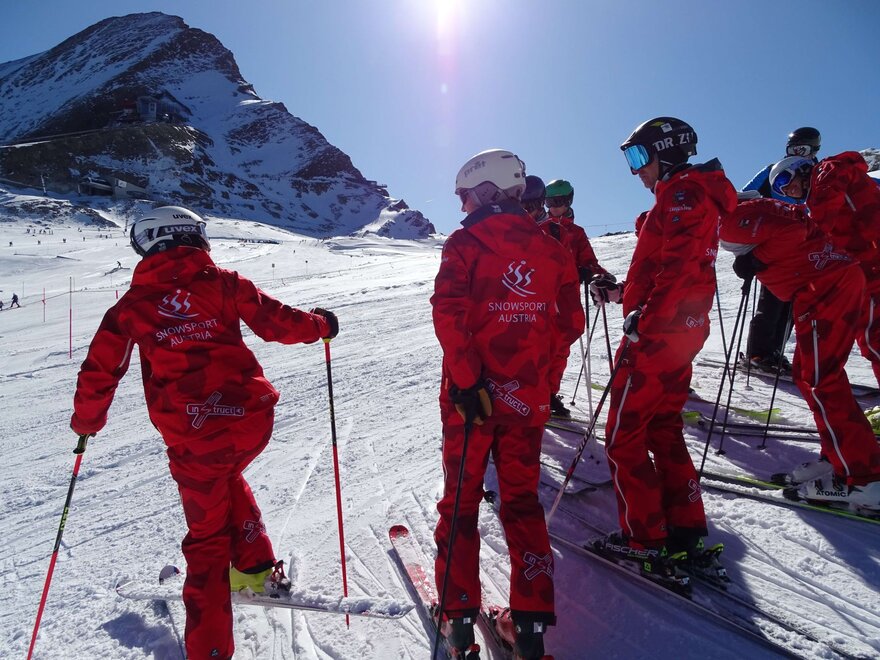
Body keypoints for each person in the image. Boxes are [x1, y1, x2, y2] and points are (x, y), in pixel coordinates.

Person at [70, 206, 338, 660]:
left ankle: (209, 649)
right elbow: (278, 323)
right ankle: (254, 566)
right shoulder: (224, 282)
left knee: (207, 541)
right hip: (251, 420)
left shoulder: (132, 307)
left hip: (194, 433)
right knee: (227, 474)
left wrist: (86, 424)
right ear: (193, 237)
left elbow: (100, 371)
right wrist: (321, 325)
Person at [431, 149, 584, 659]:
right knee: (520, 503)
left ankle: (457, 625)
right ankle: (532, 629)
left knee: (461, 504)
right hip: (527, 399)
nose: (463, 206)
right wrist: (535, 372)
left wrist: (472, 381)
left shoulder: (466, 243)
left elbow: (449, 316)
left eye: (466, 196)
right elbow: (570, 324)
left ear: (489, 191)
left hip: (469, 403)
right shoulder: (553, 249)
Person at [590, 117, 737, 582]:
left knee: (622, 437)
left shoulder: (680, 193)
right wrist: (622, 295)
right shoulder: (693, 193)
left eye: (638, 158)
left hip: (657, 337)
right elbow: (667, 269)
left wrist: (643, 320)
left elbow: (676, 270)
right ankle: (686, 527)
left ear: (665, 152)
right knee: (664, 429)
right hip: (680, 331)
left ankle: (646, 537)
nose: (636, 172)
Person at [720, 194, 880, 507]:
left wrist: (756, 259)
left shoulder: (730, 217)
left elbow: (794, 232)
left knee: (822, 381)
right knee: (809, 375)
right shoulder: (746, 209)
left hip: (824, 286)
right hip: (822, 285)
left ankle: (864, 478)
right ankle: (840, 458)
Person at [769, 149, 880, 386]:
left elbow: (820, 225)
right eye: (780, 189)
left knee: (875, 338)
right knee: (871, 338)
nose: (786, 190)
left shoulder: (827, 171)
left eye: (783, 179)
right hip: (865, 268)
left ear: (802, 167)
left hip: (872, 264)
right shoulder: (822, 189)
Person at [739, 127, 822, 374]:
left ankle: (773, 352)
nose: (797, 155)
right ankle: (757, 353)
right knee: (772, 301)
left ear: (814, 150)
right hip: (773, 245)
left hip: (805, 248)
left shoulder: (821, 175)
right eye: (793, 149)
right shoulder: (774, 171)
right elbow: (744, 196)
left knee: (793, 306)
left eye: (803, 150)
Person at [541, 178, 612, 417]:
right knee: (539, 346)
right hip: (541, 296)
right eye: (549, 202)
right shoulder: (540, 228)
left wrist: (592, 272)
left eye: (559, 202)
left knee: (561, 345)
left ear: (569, 200)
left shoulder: (576, 233)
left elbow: (589, 261)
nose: (554, 207)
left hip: (566, 299)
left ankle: (548, 394)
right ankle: (535, 393)